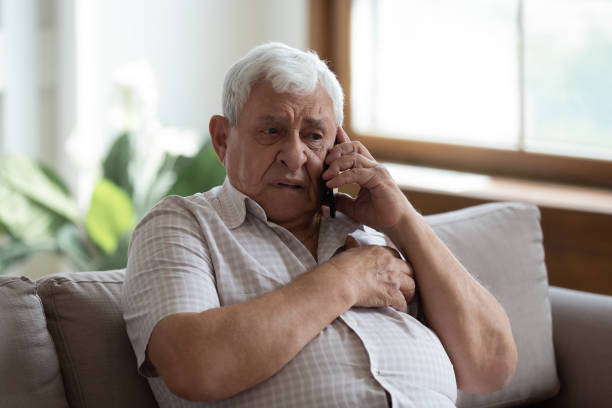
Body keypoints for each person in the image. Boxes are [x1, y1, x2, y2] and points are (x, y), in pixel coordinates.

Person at [122, 42, 517, 408]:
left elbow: (491, 367)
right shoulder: (182, 225)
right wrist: (348, 278)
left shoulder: (375, 234)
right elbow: (195, 366)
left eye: (314, 136)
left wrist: (405, 221)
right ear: (223, 140)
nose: (294, 155)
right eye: (271, 131)